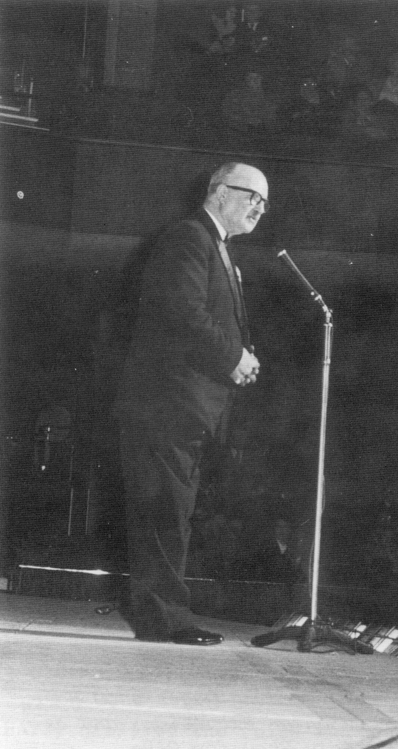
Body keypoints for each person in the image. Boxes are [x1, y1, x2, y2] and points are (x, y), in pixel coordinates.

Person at [114, 161, 267, 645]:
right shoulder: (190, 238)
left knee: (171, 511)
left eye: (264, 203)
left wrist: (238, 358)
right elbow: (181, 311)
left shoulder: (214, 245)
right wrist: (233, 357)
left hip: (182, 407)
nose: (259, 208)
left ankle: (164, 616)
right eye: (252, 196)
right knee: (164, 513)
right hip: (165, 405)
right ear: (220, 192)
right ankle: (164, 619)